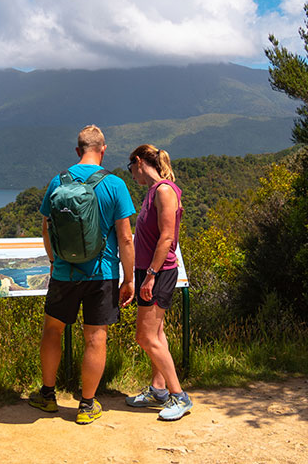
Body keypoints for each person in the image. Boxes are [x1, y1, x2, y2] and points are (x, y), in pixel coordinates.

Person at [28, 125, 136, 425]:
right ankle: (86, 405)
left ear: (77, 151)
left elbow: (47, 228)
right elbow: (126, 239)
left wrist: (54, 262)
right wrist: (128, 279)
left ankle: (47, 396)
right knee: (95, 338)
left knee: (53, 330)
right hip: (101, 274)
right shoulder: (115, 185)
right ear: (103, 150)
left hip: (65, 272)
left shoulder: (57, 181)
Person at [124, 144, 193, 421]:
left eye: (131, 169)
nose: (132, 176)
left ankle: (180, 397)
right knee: (158, 334)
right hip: (149, 270)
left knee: (146, 336)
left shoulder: (164, 191)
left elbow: (167, 238)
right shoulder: (154, 192)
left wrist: (150, 275)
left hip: (158, 272)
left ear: (139, 162)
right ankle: (158, 389)